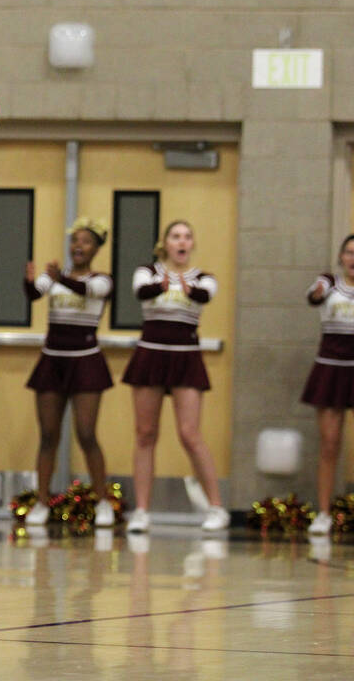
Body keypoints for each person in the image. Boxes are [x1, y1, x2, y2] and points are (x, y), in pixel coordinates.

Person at [122, 220, 228, 534]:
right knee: (145, 433)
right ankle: (141, 511)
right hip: (150, 354)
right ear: (165, 244)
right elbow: (141, 291)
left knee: (189, 433)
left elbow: (203, 296)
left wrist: (180, 286)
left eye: (187, 237)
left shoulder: (204, 278)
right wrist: (166, 284)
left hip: (185, 356)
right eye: (175, 237)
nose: (182, 242)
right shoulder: (147, 272)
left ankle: (216, 507)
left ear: (192, 244)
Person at [22, 218, 115, 528]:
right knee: (48, 435)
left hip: (86, 362)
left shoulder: (102, 280)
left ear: (96, 248)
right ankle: (41, 502)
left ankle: (103, 501)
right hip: (52, 360)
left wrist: (58, 276)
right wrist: (30, 280)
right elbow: (35, 294)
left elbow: (86, 289)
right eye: (74, 240)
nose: (78, 246)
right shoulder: (55, 278)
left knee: (87, 434)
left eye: (86, 241)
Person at [302, 235, 354, 536]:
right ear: (340, 256)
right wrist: (319, 292)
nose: (353, 258)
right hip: (331, 368)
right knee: (330, 444)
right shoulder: (327, 282)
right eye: (348, 252)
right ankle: (323, 513)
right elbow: (313, 297)